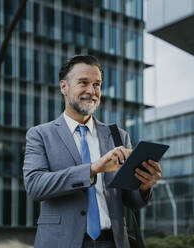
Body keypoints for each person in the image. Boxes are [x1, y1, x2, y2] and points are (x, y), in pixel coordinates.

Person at [23, 55, 162, 248]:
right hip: (62, 242)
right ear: (64, 87)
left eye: (97, 84)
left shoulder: (118, 136)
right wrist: (93, 168)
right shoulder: (40, 135)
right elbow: (35, 186)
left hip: (113, 242)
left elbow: (132, 200)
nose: (91, 91)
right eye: (83, 83)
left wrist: (144, 186)